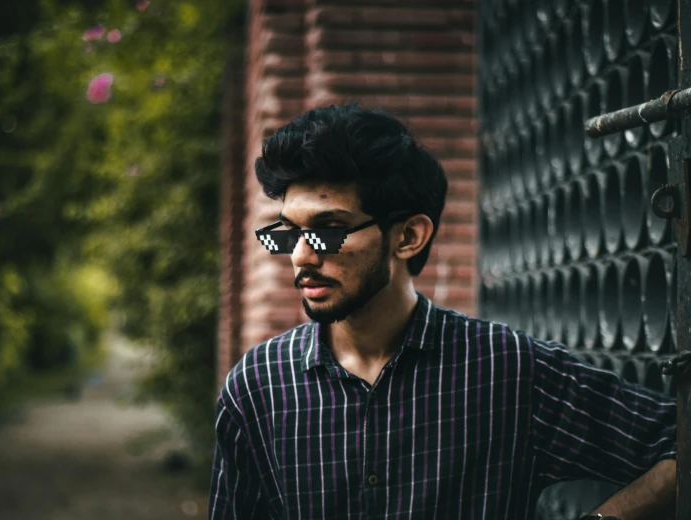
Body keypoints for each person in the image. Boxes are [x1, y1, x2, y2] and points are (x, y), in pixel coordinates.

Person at [208, 104, 677, 520]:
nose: (301, 257)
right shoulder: (258, 386)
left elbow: (678, 443)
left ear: (409, 236)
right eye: (288, 233)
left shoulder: (506, 369)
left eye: (329, 230)